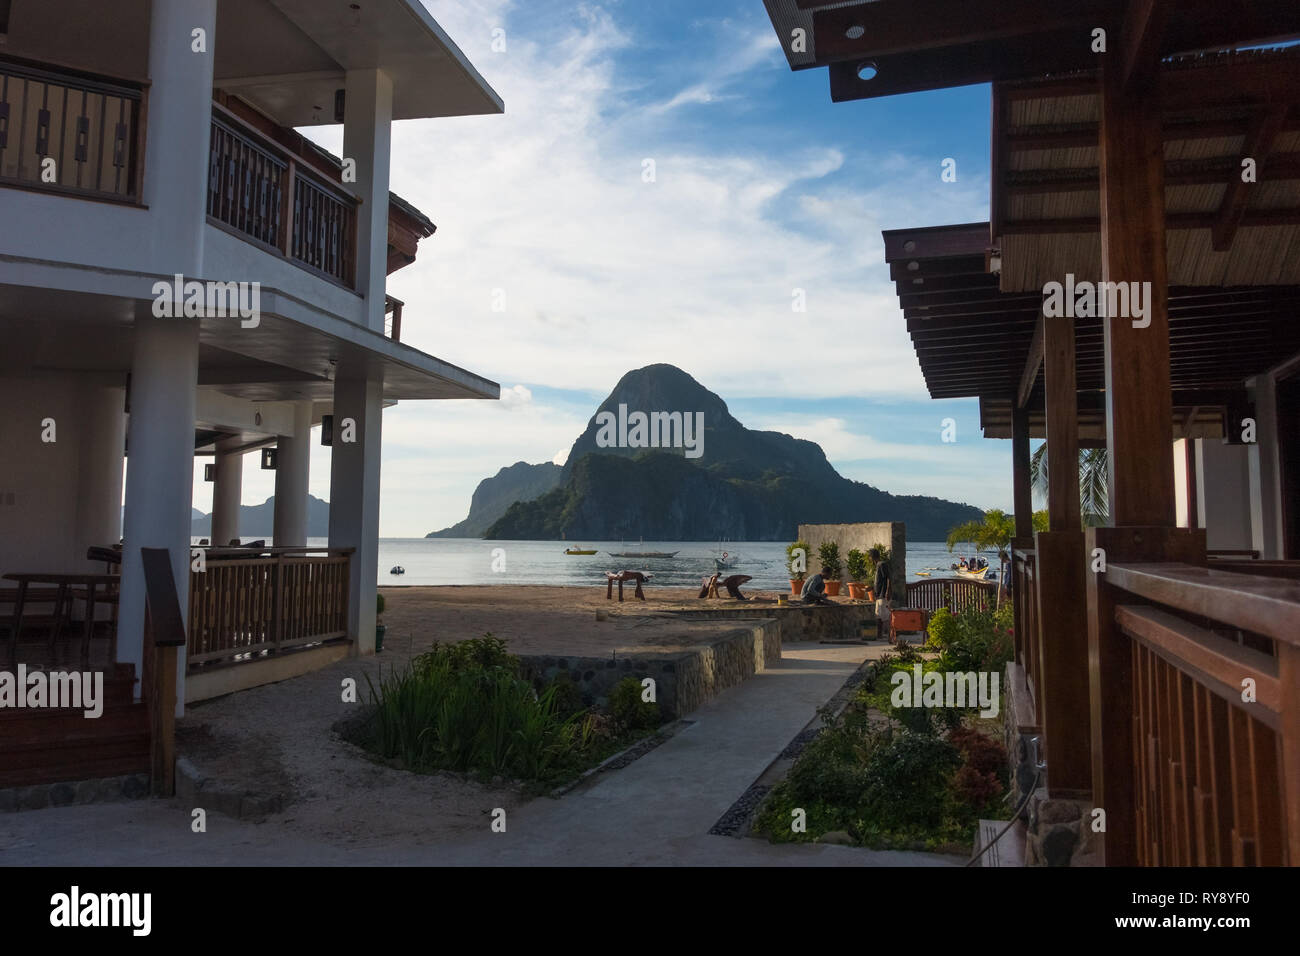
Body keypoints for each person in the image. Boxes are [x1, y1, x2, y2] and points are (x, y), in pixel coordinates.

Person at [871, 547, 894, 640]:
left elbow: (888, 578)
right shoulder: (878, 565)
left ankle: (891, 634)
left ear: (872, 557)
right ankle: (879, 634)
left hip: (883, 594)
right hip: (878, 595)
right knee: (879, 615)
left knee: (885, 615)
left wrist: (888, 591)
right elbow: (879, 581)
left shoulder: (882, 564)